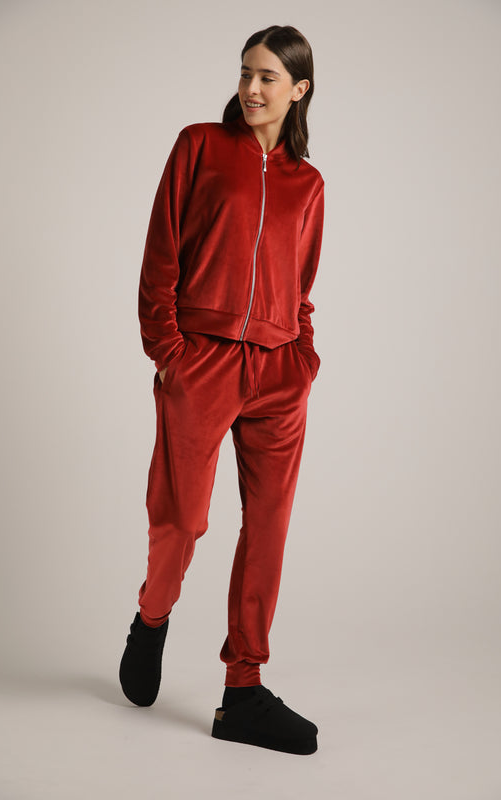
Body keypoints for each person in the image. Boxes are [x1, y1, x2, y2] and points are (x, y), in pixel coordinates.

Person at [119, 24, 325, 756]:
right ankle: (152, 618)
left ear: (298, 89)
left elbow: (302, 283)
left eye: (267, 77)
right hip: (200, 363)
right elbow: (160, 253)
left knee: (267, 526)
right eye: (245, 73)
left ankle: (243, 689)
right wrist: (168, 352)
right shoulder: (199, 146)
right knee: (181, 518)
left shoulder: (308, 183)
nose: (251, 88)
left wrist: (301, 354)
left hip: (278, 373)